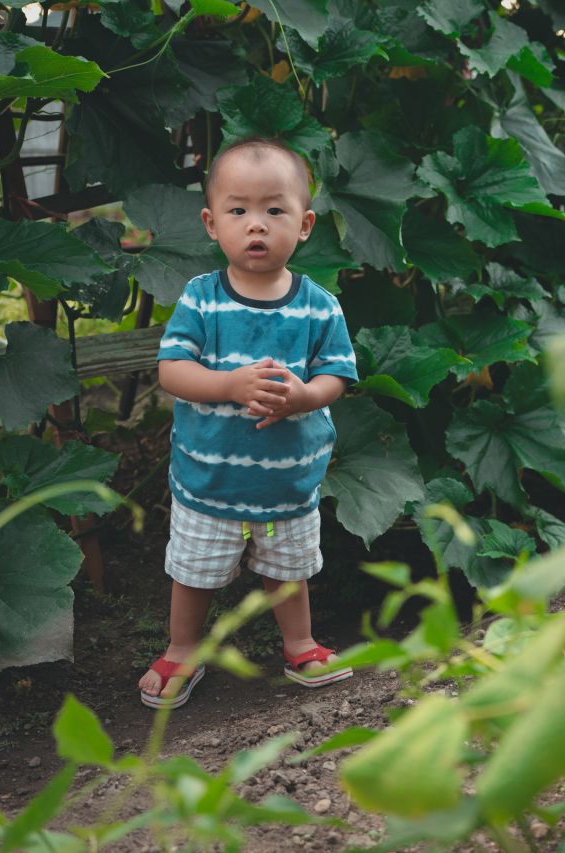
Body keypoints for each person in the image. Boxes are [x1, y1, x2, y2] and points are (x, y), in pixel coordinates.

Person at [138, 137, 358, 709]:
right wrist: (230, 386)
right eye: (239, 211)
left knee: (288, 572)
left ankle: (300, 643)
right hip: (209, 482)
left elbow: (338, 375)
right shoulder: (201, 300)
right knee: (193, 572)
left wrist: (306, 397)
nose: (255, 226)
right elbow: (172, 371)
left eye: (274, 211)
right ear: (212, 224)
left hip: (287, 483)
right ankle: (183, 647)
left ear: (305, 224)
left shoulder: (319, 306)